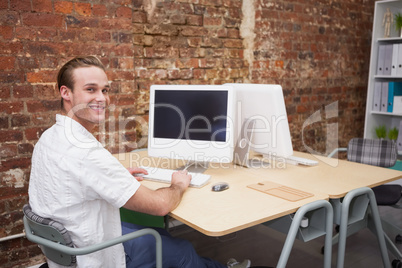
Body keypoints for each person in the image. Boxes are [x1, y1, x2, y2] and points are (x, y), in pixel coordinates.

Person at [28, 56, 251, 268]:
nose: (102, 98)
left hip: (70, 248)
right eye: (90, 89)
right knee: (182, 249)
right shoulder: (86, 152)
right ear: (65, 93)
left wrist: (113, 175)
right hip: (94, 256)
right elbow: (160, 205)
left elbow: (71, 177)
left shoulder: (50, 137)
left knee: (160, 235)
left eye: (105, 90)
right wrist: (178, 184)